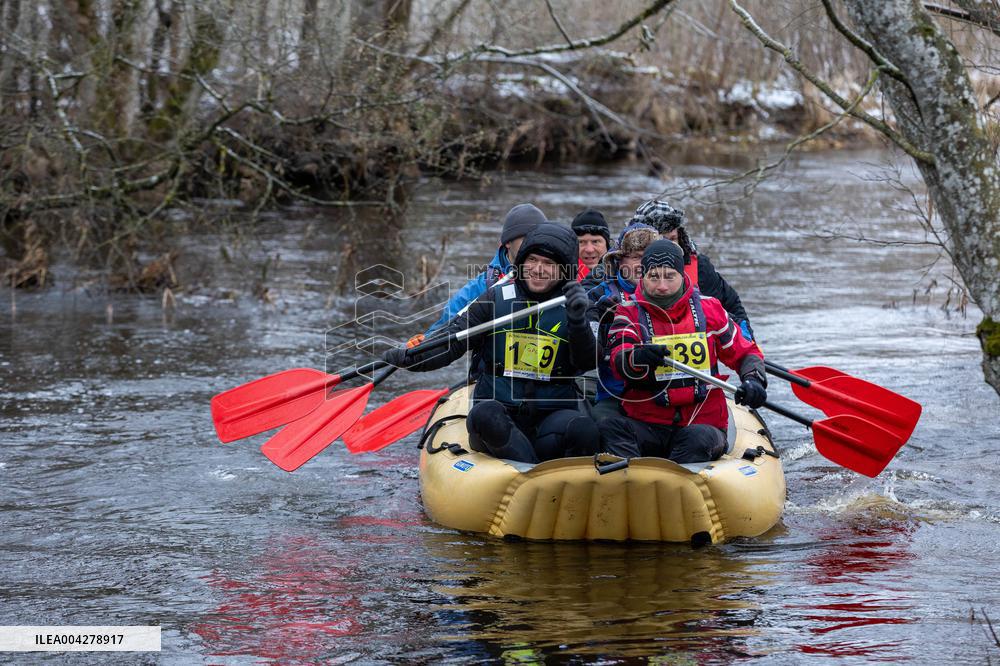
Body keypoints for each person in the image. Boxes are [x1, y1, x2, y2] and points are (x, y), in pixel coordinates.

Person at [384, 223, 601, 464]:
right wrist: (411, 358)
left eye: (549, 264)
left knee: (584, 429)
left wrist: (578, 323)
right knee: (485, 415)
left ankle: (546, 473)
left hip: (550, 418)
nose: (538, 269)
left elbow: (588, 361)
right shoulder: (494, 299)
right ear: (521, 262)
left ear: (564, 270)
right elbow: (452, 342)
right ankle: (530, 472)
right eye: (532, 260)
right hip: (499, 418)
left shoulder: (579, 305)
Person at [598, 240, 768, 463]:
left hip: (702, 423)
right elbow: (619, 357)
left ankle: (676, 477)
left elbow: (745, 352)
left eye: (669, 277)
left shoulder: (710, 309)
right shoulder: (627, 311)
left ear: (681, 275)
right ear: (643, 277)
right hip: (647, 423)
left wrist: (753, 379)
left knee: (695, 439)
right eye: (654, 277)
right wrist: (638, 357)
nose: (662, 286)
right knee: (610, 427)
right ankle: (630, 477)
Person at [409, 203, 545, 346]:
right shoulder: (484, 286)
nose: (533, 245)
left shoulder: (556, 277)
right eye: (526, 239)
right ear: (508, 243)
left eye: (538, 238)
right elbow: (446, 326)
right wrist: (422, 344)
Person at [630, 200, 755, 341]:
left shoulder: (700, 267)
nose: (669, 245)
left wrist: (746, 338)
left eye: (673, 239)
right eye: (661, 239)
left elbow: (731, 305)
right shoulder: (628, 270)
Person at [582, 221, 661, 421]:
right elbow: (584, 354)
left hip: (663, 393)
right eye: (636, 257)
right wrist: (598, 321)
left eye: (649, 258)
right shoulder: (597, 295)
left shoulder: (675, 294)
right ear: (619, 262)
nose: (643, 264)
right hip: (615, 394)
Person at [571, 208, 612, 281]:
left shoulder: (625, 275)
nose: (589, 250)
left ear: (607, 245)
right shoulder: (559, 277)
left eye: (595, 241)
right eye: (581, 242)